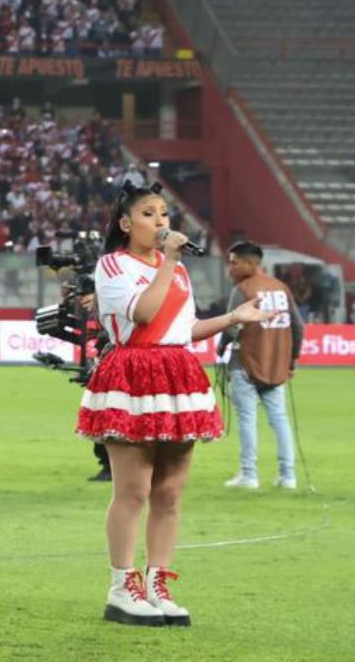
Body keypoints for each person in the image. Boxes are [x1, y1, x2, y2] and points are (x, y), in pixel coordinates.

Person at [79, 181, 277, 627]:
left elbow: (182, 330)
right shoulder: (113, 265)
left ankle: (156, 583)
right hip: (131, 375)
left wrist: (232, 318)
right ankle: (121, 586)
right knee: (133, 491)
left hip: (177, 374)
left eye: (164, 214)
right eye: (149, 214)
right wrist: (168, 260)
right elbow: (144, 316)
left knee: (169, 492)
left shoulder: (180, 272)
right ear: (127, 224)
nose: (161, 222)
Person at [221, 243, 302, 491]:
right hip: (276, 366)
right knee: (279, 419)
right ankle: (288, 476)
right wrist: (291, 360)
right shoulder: (281, 288)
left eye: (235, 262)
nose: (231, 267)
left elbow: (232, 326)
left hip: (246, 361)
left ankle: (249, 474)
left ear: (251, 264)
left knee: (247, 418)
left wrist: (220, 347)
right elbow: (298, 327)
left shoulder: (242, 289)